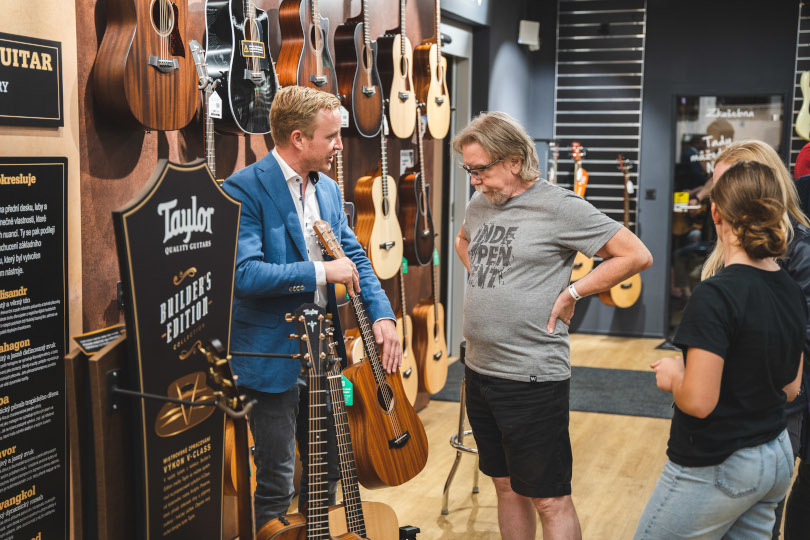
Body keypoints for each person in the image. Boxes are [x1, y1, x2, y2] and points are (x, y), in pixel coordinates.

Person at [452, 112, 652, 540]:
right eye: (468, 171)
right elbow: (463, 239)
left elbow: (634, 255)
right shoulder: (482, 202)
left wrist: (573, 293)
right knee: (504, 486)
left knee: (548, 497)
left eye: (481, 169)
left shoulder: (559, 206)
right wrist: (487, 279)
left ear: (514, 160)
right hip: (480, 370)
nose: (474, 181)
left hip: (531, 375)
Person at [222, 85, 401, 527]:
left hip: (324, 353)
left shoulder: (326, 188)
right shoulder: (244, 188)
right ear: (298, 138)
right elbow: (244, 275)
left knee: (331, 470)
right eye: (332, 137)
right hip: (270, 356)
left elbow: (355, 257)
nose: (340, 146)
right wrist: (321, 273)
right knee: (277, 480)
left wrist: (383, 313)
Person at [635, 160, 806, 539]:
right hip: (775, 458)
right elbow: (791, 387)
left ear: (716, 211)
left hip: (719, 462)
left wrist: (673, 376)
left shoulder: (715, 295)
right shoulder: (791, 290)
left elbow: (698, 401)